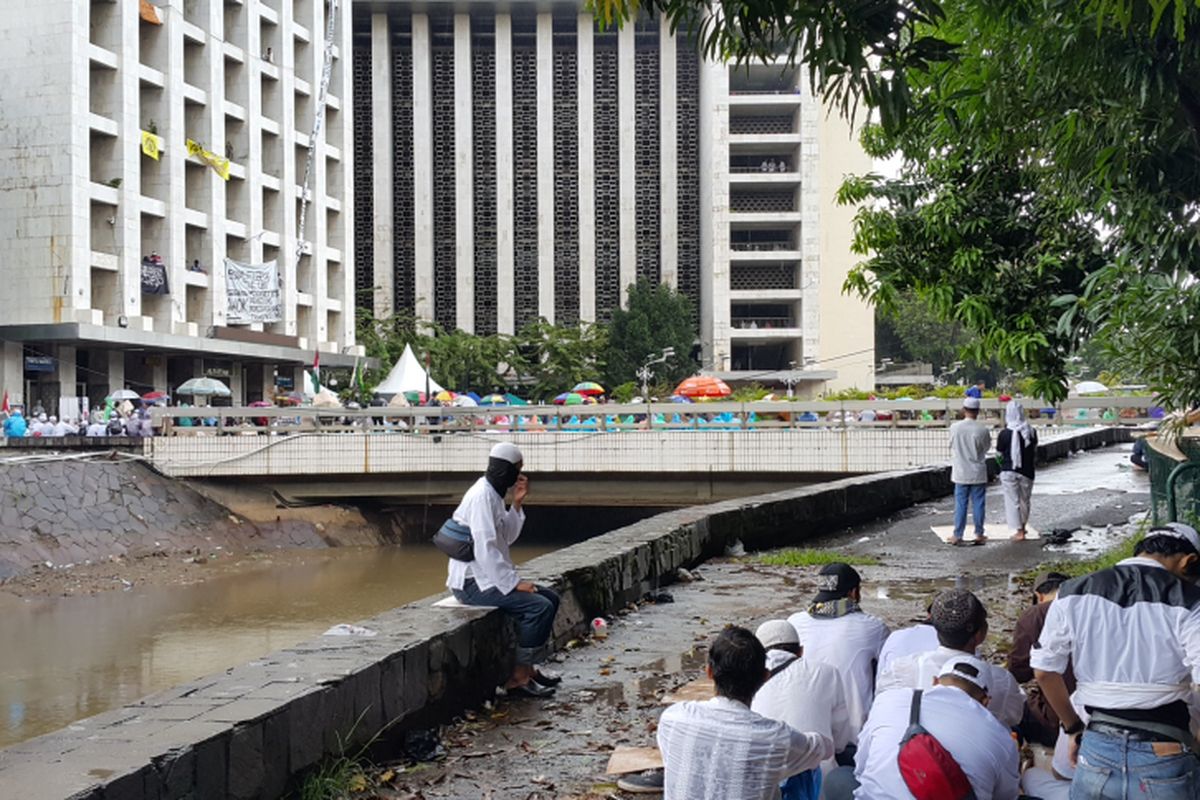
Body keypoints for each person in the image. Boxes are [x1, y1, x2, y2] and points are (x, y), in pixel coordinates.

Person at [1033, 522, 1200, 800]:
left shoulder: (1072, 592)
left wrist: (1073, 727)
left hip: (1097, 748)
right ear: (1188, 562)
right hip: (1166, 753)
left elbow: (1043, 671)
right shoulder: (1191, 601)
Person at [656, 626, 833, 800]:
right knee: (803, 770)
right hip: (788, 749)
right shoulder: (775, 737)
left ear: (709, 672)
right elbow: (823, 748)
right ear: (765, 677)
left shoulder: (672, 718)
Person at [447, 443, 560, 698]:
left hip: (488, 579)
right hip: (472, 583)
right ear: (506, 470)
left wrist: (516, 505)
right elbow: (485, 548)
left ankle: (530, 669)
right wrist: (513, 583)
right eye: (517, 470)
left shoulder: (494, 495)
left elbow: (505, 537)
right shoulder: (481, 497)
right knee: (538, 607)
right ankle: (518, 679)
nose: (519, 476)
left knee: (551, 598)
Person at [826, 656, 1020, 800]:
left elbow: (862, 767)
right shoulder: (1001, 738)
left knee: (838, 777)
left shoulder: (890, 699)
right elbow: (1005, 796)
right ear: (985, 701)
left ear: (935, 681)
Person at [877, 588, 1025, 728]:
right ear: (980, 634)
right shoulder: (1001, 680)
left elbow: (881, 707)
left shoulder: (900, 669)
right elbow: (1014, 716)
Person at [750, 620, 854, 799]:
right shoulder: (827, 672)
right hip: (820, 785)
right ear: (801, 651)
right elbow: (840, 741)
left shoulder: (748, 679)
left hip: (765, 788)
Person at [787, 563, 890, 737]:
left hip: (801, 732)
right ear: (853, 593)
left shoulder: (794, 623)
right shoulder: (873, 626)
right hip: (853, 736)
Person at [1007, 571, 1074, 747]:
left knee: (1011, 711)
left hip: (1055, 721)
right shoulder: (1088, 610)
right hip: (1098, 711)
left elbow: (1018, 672)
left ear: (1038, 595)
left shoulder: (1035, 614)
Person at [948, 397, 991, 546]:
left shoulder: (955, 427)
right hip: (977, 471)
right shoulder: (982, 429)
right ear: (978, 411)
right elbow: (986, 448)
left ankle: (957, 535)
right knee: (979, 503)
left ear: (964, 409)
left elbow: (951, 445)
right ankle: (979, 533)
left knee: (960, 504)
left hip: (960, 471)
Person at [997, 399, 1038, 541]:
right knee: (1024, 500)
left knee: (1012, 501)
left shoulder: (1004, 433)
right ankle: (1023, 527)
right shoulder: (1031, 432)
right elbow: (1034, 450)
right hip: (1027, 471)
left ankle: (1019, 531)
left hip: (1008, 470)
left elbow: (999, 453)